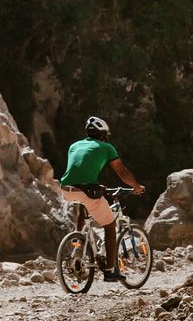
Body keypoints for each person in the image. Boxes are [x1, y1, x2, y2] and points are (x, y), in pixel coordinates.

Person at [60, 116, 145, 281]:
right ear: (103, 134)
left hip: (66, 189)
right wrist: (136, 186)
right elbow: (122, 172)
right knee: (110, 225)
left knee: (83, 206)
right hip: (86, 190)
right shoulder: (107, 147)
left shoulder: (74, 145)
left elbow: (79, 170)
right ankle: (109, 270)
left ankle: (78, 245)